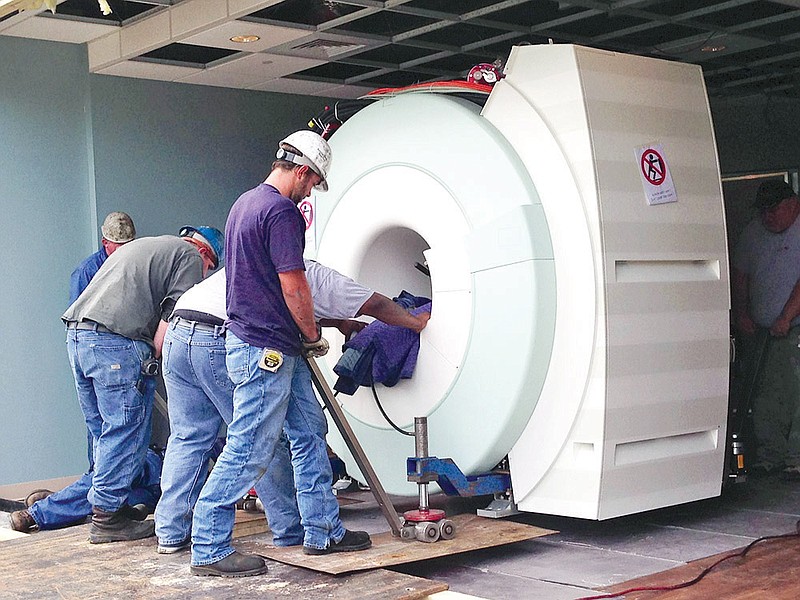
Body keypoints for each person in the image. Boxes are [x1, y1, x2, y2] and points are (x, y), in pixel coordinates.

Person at [154, 264, 429, 553]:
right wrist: (414, 321)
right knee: (258, 438)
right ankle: (284, 530)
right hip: (224, 338)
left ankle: (171, 533)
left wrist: (339, 323)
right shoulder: (322, 278)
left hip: (179, 331)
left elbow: (299, 303)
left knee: (188, 438)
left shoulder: (263, 269)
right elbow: (377, 305)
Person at [190, 131, 368, 578]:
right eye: (313, 183)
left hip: (265, 345)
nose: (311, 192)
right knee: (249, 446)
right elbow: (293, 283)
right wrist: (312, 332)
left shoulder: (243, 205)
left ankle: (323, 529)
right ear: (303, 171)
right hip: (265, 349)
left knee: (309, 431)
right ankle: (209, 545)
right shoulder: (281, 212)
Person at [10, 227, 224, 543]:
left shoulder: (147, 247)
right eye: (209, 270)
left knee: (105, 440)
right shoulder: (191, 256)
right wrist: (155, 358)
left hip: (79, 339)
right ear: (207, 254)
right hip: (116, 344)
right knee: (126, 435)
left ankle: (105, 508)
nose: (203, 275)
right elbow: (172, 313)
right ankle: (107, 519)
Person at [732, 180, 800, 478]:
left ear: (791, 204)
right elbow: (740, 274)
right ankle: (771, 455)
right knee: (763, 394)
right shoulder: (754, 232)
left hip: (793, 328)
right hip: (761, 332)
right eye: (763, 211)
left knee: (795, 394)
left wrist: (786, 316)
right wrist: (743, 313)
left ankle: (795, 457)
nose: (767, 217)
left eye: (773, 210)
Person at [69, 211, 136, 304]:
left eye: (128, 244)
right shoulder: (86, 271)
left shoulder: (138, 264)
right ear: (105, 243)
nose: (125, 250)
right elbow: (74, 313)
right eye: (119, 245)